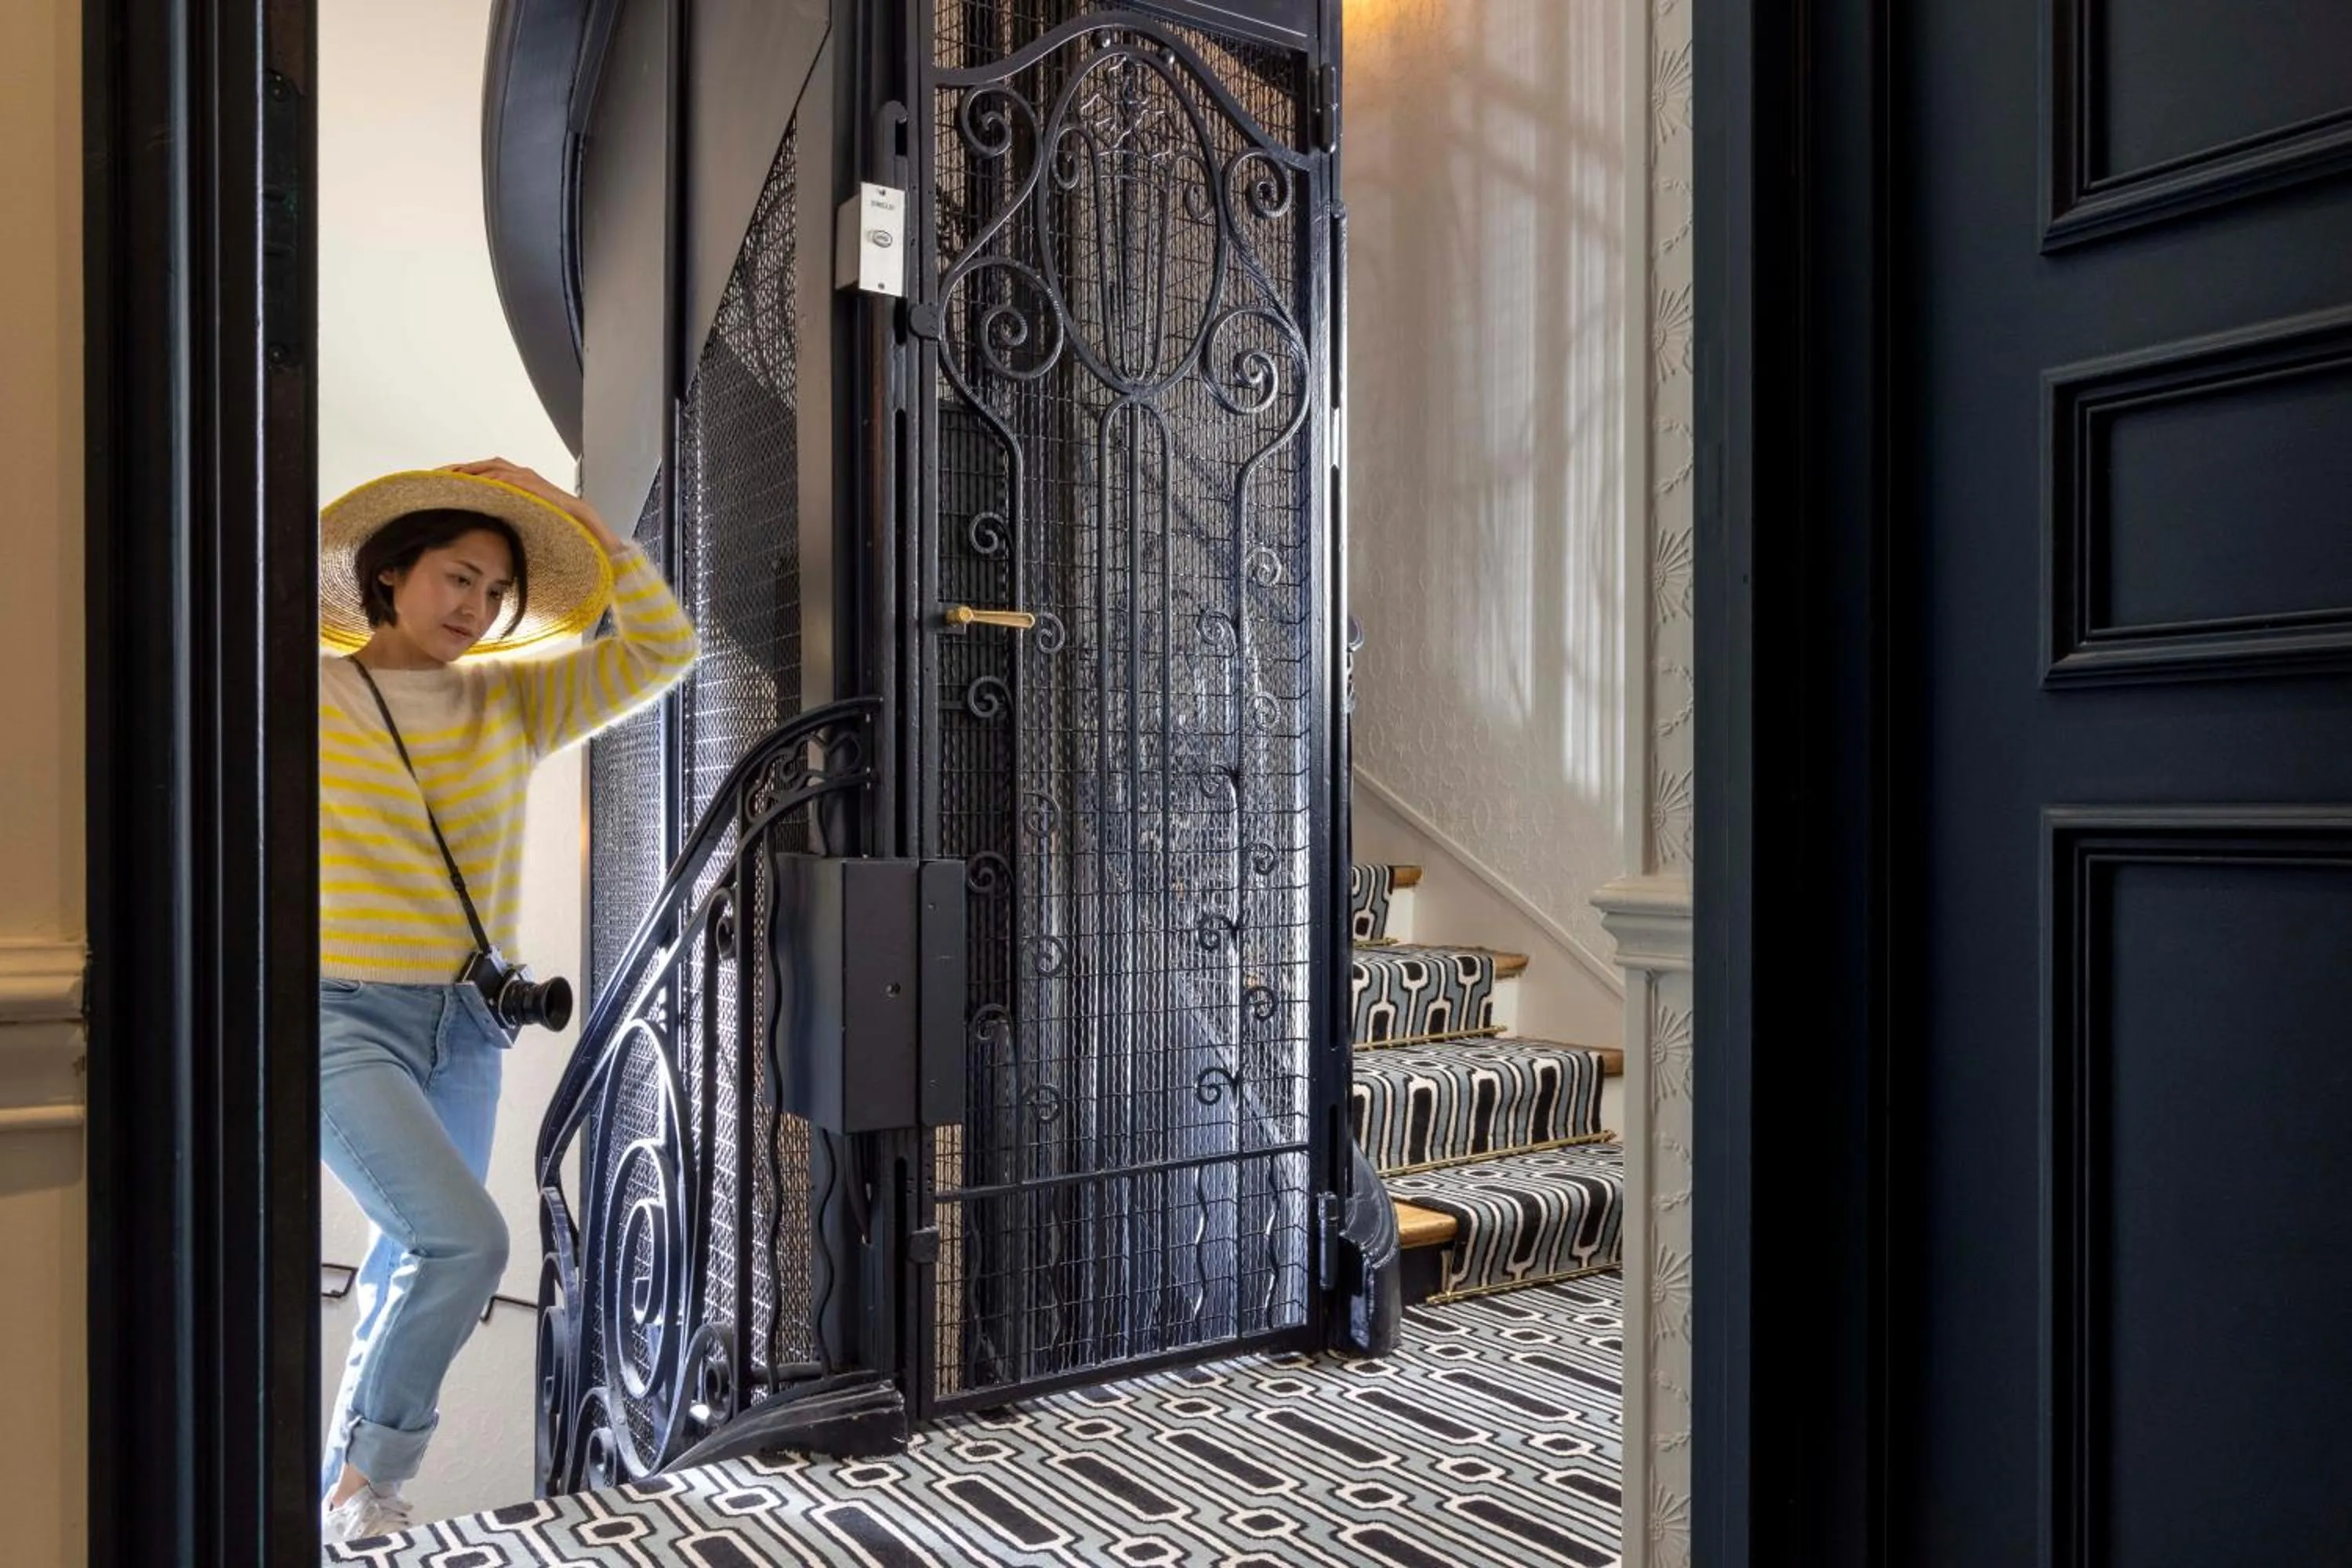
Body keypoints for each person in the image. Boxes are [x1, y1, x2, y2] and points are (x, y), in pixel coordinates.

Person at [314, 458, 696, 1542]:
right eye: (456, 578)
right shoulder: (309, 686)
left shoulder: (511, 702)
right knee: (465, 1243)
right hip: (341, 1015)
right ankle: (377, 1478)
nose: (475, 610)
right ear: (390, 575)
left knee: (408, 1257)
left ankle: (338, 1506)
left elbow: (666, 650)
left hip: (469, 1030)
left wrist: (581, 520)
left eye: (494, 593)